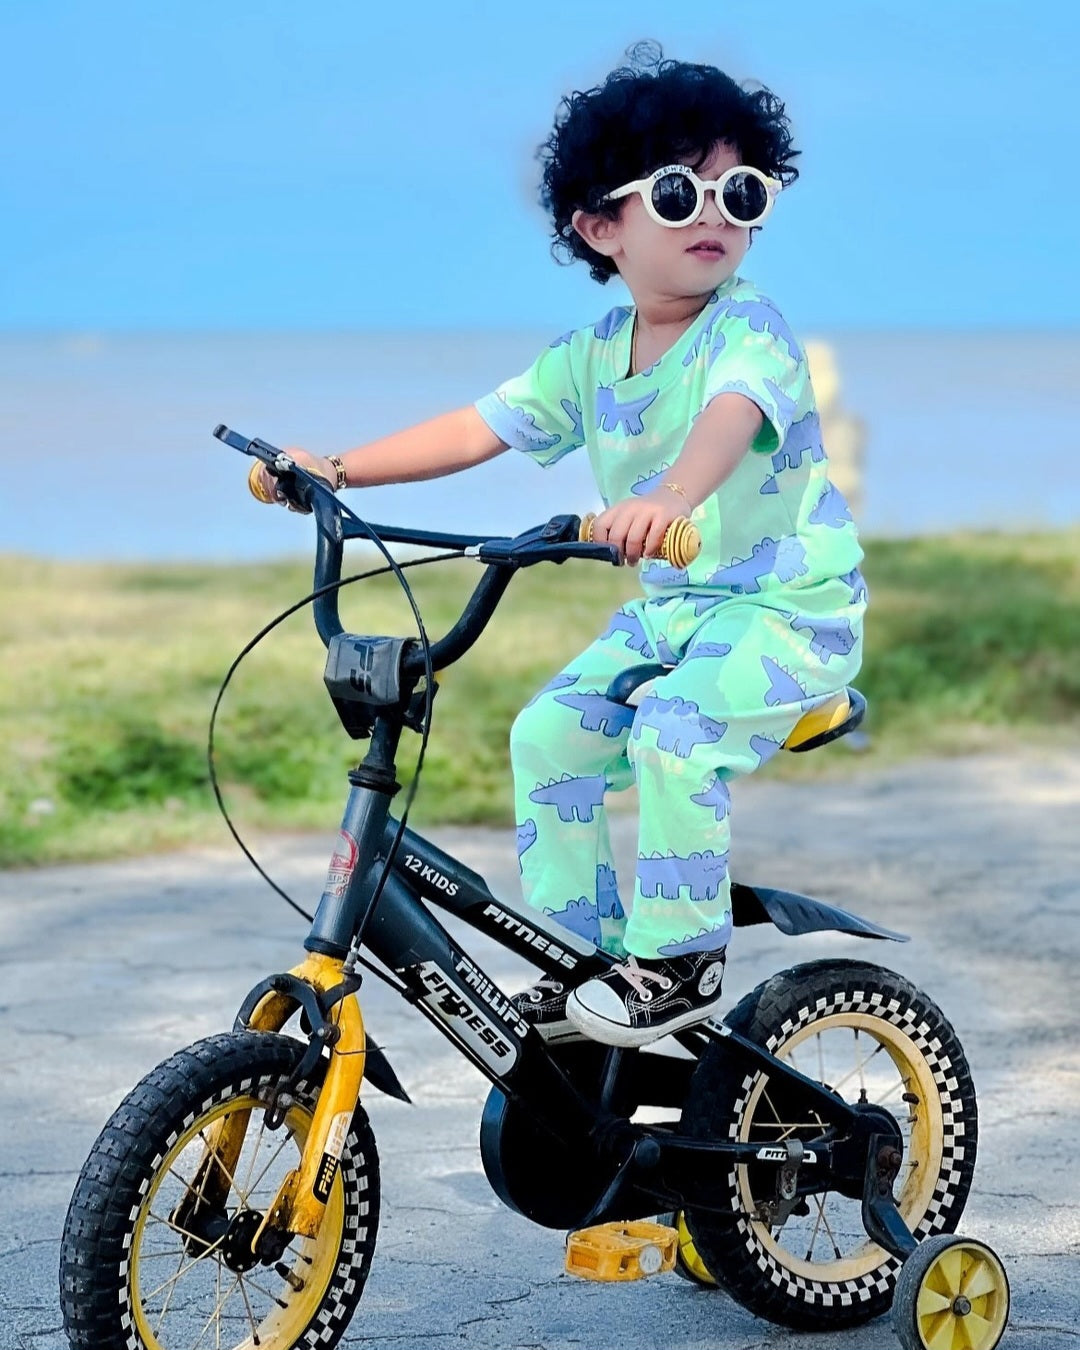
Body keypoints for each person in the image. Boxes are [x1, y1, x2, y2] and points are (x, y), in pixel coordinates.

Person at [250, 44, 866, 1049]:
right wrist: (336, 469)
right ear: (600, 226)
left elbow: (730, 414)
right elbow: (472, 428)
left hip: (789, 615)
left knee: (672, 728)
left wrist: (666, 497)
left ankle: (682, 957)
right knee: (548, 736)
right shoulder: (587, 359)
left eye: (740, 192)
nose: (714, 213)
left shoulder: (749, 329)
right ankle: (594, 957)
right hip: (678, 613)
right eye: (678, 193)